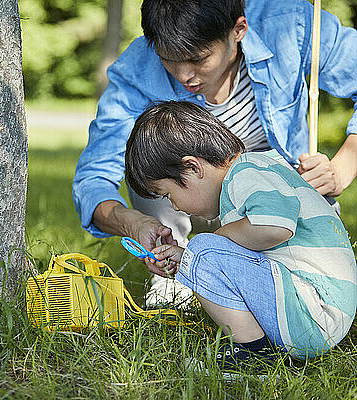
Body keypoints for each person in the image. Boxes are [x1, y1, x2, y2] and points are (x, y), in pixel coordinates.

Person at [72, 0, 357, 306]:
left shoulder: (290, 22)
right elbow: (93, 179)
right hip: (184, 205)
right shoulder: (136, 70)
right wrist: (133, 222)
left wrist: (342, 168)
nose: (184, 75)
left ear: (238, 29)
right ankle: (175, 280)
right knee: (150, 163)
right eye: (168, 59)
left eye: (198, 58)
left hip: (273, 206)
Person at [124, 101, 356, 369]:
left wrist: (209, 248)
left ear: (193, 168)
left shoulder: (245, 173)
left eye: (169, 195)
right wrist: (189, 261)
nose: (175, 207)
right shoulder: (255, 171)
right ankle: (256, 349)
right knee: (202, 252)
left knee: (203, 247)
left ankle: (252, 358)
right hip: (314, 311)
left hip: (313, 312)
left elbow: (275, 227)